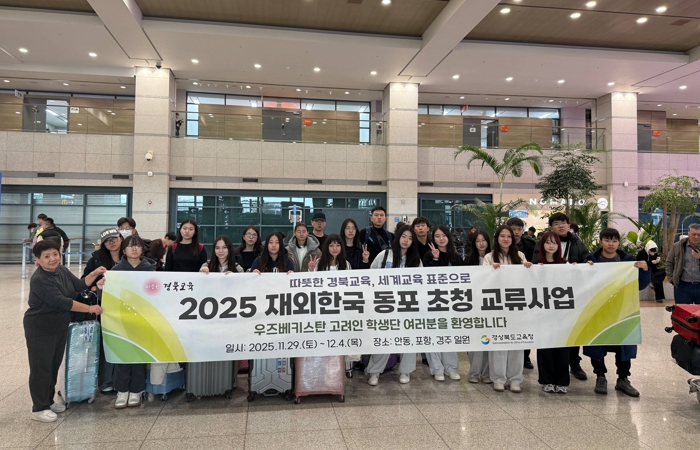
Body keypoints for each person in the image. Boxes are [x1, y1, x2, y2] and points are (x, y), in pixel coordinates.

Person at [24, 239, 105, 422]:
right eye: (46, 256)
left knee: (53, 366)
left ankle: (48, 401)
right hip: (40, 327)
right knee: (41, 368)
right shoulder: (40, 279)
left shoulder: (60, 270)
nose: (52, 259)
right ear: (37, 260)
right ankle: (39, 408)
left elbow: (78, 285)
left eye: (55, 254)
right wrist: (89, 309)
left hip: (59, 325)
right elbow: (63, 302)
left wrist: (94, 273)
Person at [584, 228, 649, 397]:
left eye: (614, 240)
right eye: (607, 240)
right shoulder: (591, 260)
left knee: (624, 344)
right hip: (598, 310)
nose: (610, 244)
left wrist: (644, 269)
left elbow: (640, 285)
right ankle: (600, 376)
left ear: (619, 243)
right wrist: (584, 269)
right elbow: (582, 285)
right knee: (597, 343)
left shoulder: (629, 261)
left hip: (623, 310)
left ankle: (623, 378)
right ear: (600, 242)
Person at [534, 212, 590, 381]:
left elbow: (585, 261)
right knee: (547, 338)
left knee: (570, 334)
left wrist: (588, 266)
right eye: (557, 223)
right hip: (545, 300)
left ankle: (574, 364)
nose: (561, 226)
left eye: (563, 222)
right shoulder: (541, 243)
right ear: (551, 227)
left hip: (570, 296)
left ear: (568, 225)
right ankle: (548, 375)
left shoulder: (577, 242)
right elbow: (534, 263)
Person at [365, 225, 422, 386]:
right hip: (386, 304)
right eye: (404, 236)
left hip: (407, 305)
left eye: (410, 238)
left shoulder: (415, 260)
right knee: (384, 339)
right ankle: (374, 371)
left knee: (407, 339)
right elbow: (370, 276)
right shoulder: (384, 255)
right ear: (398, 237)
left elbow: (421, 282)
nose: (406, 240)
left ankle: (405, 371)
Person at [106, 235, 156, 408]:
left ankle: (137, 389)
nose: (134, 249)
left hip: (143, 319)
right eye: (130, 246)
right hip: (121, 319)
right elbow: (108, 297)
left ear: (142, 249)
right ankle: (122, 389)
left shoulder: (151, 270)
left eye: (137, 246)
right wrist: (102, 288)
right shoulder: (115, 271)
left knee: (139, 354)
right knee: (122, 354)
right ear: (124, 250)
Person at [483, 225, 533, 393]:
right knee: (498, 340)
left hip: (516, 304)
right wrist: (491, 270)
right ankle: (498, 378)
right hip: (496, 305)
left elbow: (527, 279)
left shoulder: (520, 256)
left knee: (517, 341)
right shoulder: (489, 257)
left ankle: (515, 379)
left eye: (509, 236)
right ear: (497, 238)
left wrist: (528, 267)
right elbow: (482, 279)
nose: (505, 239)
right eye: (502, 236)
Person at [422, 225, 464, 382]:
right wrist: (435, 259)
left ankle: (451, 368)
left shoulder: (457, 257)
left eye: (443, 235)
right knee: (432, 334)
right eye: (437, 236)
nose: (441, 239)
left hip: (452, 302)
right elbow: (427, 277)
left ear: (448, 237)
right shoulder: (428, 255)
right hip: (433, 300)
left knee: (449, 335)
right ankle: (436, 368)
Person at [506, 217, 536, 369]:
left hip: (526, 289)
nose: (516, 232)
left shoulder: (531, 245)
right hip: (507, 290)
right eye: (513, 229)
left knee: (525, 323)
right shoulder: (501, 245)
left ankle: (525, 356)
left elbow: (536, 263)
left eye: (519, 229)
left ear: (523, 230)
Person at [464, 229, 492, 384]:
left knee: (488, 340)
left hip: (491, 304)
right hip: (474, 304)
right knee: (475, 340)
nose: (481, 243)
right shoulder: (469, 260)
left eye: (484, 240)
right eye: (478, 241)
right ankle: (474, 372)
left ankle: (487, 373)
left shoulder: (495, 258)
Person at [666, 223, 700, 305]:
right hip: (682, 286)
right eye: (694, 234)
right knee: (682, 311)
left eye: (699, 235)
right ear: (688, 234)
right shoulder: (678, 246)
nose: (696, 237)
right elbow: (669, 263)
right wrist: (672, 279)